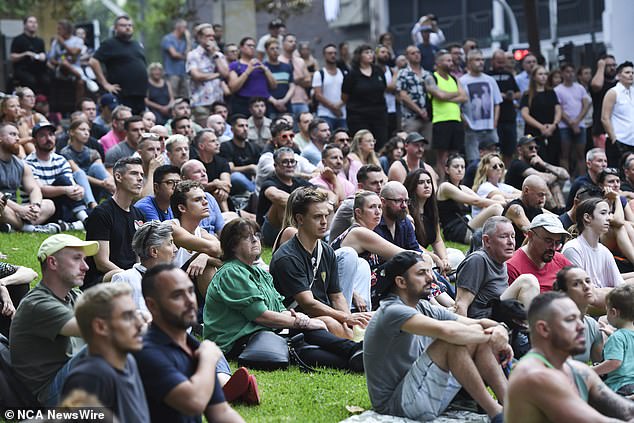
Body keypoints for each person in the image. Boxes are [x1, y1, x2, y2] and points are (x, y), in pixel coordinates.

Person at [364, 251, 509, 422]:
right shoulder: (392, 311)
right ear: (401, 282)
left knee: (474, 336)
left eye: (429, 271)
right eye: (421, 273)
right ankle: (497, 414)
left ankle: (511, 407)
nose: (431, 278)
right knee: (452, 341)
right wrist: (492, 337)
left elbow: (475, 323)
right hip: (396, 406)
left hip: (422, 392)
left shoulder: (423, 306)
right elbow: (448, 332)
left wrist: (500, 329)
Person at [204, 218, 363, 372]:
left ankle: (357, 356)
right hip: (236, 342)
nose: (255, 240)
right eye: (246, 237)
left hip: (265, 335)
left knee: (304, 339)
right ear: (232, 245)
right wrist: (301, 323)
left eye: (257, 235)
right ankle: (357, 353)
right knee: (303, 337)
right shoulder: (232, 272)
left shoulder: (259, 273)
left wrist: (301, 318)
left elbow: (279, 309)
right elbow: (261, 316)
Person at [135, 264, 245, 422]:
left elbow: (220, 412)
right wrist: (208, 359)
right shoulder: (145, 352)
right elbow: (194, 402)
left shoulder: (193, 346)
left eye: (191, 291)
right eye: (177, 295)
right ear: (152, 305)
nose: (190, 301)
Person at [505, 292, 634, 422]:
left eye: (580, 319)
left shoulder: (579, 370)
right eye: (570, 320)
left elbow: (625, 409)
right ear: (544, 329)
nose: (581, 326)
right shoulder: (533, 375)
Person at [270, 187, 373, 338]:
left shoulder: (326, 250)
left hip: (323, 316)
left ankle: (357, 342)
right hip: (296, 321)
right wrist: (345, 317)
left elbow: (337, 296)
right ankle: (357, 349)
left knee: (367, 321)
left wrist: (348, 321)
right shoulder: (287, 257)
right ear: (300, 219)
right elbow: (308, 304)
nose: (324, 222)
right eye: (317, 217)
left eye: (326, 216)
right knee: (329, 322)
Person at [10, 234, 99, 405]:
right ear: (52, 263)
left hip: (68, 380)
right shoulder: (37, 303)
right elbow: (91, 327)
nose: (86, 267)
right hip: (46, 395)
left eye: (85, 260)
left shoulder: (72, 295)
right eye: (76, 259)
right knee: (106, 343)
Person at [61, 283, 150, 423]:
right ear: (100, 327)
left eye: (137, 314)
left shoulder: (128, 361)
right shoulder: (91, 378)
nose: (140, 324)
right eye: (127, 317)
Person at [455, 216, 540, 318]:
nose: (511, 242)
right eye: (504, 236)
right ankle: (529, 331)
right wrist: (466, 332)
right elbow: (460, 304)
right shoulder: (477, 260)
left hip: (497, 318)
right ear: (487, 241)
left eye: (513, 236)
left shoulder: (501, 260)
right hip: (480, 323)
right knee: (527, 281)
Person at [84, 157, 145, 288]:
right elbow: (102, 262)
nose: (140, 178)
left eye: (142, 174)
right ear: (118, 177)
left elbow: (139, 258)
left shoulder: (139, 214)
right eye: (134, 173)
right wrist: (132, 279)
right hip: (102, 280)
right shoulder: (101, 213)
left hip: (132, 277)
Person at [25, 122, 90, 228]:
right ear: (34, 141)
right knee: (63, 181)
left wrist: (78, 190)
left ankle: (81, 220)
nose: (48, 138)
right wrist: (65, 190)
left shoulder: (60, 159)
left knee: (96, 212)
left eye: (51, 134)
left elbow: (71, 185)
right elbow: (40, 190)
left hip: (62, 205)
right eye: (42, 135)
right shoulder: (28, 163)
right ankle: (83, 220)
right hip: (41, 208)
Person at [561, 198, 625, 302]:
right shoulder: (573, 249)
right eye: (603, 213)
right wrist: (609, 291)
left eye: (609, 213)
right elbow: (581, 292)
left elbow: (621, 287)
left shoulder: (605, 251)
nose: (609, 218)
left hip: (608, 305)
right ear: (587, 217)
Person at [0, 123, 57, 233]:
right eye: (12, 134)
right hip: (5, 208)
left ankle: (12, 226)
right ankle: (26, 228)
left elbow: (34, 188)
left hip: (14, 211)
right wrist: (20, 209)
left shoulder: (21, 164)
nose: (17, 138)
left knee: (49, 205)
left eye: (17, 135)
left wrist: (35, 206)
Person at [437, 153, 505, 244]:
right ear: (447, 169)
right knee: (495, 207)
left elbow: (480, 199)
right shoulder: (445, 187)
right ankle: (513, 232)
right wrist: (503, 203)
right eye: (456, 167)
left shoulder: (463, 188)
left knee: (496, 199)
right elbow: (476, 201)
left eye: (462, 167)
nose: (460, 170)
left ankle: (511, 232)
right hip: (458, 232)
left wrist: (505, 201)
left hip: (468, 225)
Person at [112, 221, 176, 314]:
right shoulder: (124, 279)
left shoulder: (174, 279)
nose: (175, 249)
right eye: (170, 243)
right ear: (154, 251)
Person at [89, 15, 148, 114]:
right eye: (123, 25)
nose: (128, 27)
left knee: (137, 124)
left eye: (130, 25)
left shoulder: (137, 44)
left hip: (139, 95)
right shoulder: (110, 44)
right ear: (115, 28)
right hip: (122, 94)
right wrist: (105, 84)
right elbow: (93, 61)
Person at [425, 50, 468, 178]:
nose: (451, 63)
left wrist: (446, 97)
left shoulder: (454, 78)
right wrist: (454, 95)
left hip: (456, 119)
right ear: (438, 63)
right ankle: (443, 181)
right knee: (442, 156)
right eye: (447, 60)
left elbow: (464, 96)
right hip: (440, 120)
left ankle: (454, 181)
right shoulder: (431, 77)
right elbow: (440, 95)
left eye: (451, 60)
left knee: (455, 154)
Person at [257, 147, 312, 246]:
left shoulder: (300, 182)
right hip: (269, 232)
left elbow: (323, 194)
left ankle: (325, 237)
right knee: (281, 204)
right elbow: (275, 195)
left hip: (298, 224)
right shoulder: (269, 182)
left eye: (292, 161)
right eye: (285, 162)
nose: (290, 165)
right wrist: (309, 204)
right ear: (275, 165)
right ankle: (297, 242)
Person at [506, 213, 572, 292]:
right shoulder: (512, 267)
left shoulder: (561, 260)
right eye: (548, 241)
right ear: (531, 236)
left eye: (557, 242)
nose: (553, 247)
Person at [553, 266, 604, 364]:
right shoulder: (556, 326)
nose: (586, 287)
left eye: (588, 281)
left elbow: (600, 367)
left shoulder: (593, 325)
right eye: (576, 284)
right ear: (563, 294)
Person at [459, 49, 502, 164]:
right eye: (477, 60)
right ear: (469, 62)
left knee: (494, 159)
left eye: (482, 60)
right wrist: (465, 122)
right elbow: (457, 106)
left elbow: (497, 102)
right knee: (474, 160)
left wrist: (495, 121)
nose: (481, 62)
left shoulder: (490, 80)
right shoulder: (462, 81)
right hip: (472, 128)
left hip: (490, 127)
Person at [342, 44, 388, 149]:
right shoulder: (352, 74)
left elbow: (383, 89)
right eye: (366, 53)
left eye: (371, 52)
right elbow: (344, 96)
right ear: (359, 56)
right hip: (359, 117)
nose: (370, 55)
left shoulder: (378, 71)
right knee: (362, 145)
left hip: (379, 115)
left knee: (381, 144)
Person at [404, 168, 450, 272]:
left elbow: (437, 240)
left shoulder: (431, 210)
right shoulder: (406, 211)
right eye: (421, 182)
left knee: (456, 255)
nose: (426, 185)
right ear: (412, 186)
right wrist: (436, 258)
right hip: (414, 255)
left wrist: (444, 259)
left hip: (429, 255)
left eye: (429, 182)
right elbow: (412, 244)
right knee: (427, 261)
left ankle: (441, 268)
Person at [505, 135, 569, 210]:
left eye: (536, 148)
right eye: (530, 148)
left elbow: (566, 175)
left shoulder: (537, 162)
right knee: (546, 185)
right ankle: (556, 212)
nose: (534, 150)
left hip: (533, 198)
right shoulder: (517, 164)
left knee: (554, 184)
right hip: (519, 200)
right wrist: (555, 176)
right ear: (520, 150)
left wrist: (544, 164)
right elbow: (543, 180)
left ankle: (561, 211)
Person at [60, 119, 115, 206]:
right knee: (80, 173)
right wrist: (102, 183)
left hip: (96, 183)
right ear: (72, 132)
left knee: (97, 167)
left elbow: (102, 170)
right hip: (75, 184)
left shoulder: (93, 152)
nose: (86, 133)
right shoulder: (65, 152)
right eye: (82, 130)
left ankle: (117, 196)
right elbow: (78, 173)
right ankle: (92, 205)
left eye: (88, 130)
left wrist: (109, 180)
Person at [592, 285, 634, 395]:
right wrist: (612, 334)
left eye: (607, 310)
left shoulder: (617, 337)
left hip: (621, 387)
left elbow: (614, 363)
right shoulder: (622, 336)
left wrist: (591, 370)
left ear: (614, 312)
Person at [329, 164, 385, 241]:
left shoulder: (377, 203)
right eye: (374, 183)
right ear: (360, 187)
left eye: (381, 182)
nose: (379, 187)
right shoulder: (352, 204)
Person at [255, 120, 315, 192]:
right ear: (274, 140)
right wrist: (307, 176)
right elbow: (282, 172)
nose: (289, 139)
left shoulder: (296, 157)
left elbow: (314, 170)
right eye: (284, 137)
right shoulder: (267, 158)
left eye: (291, 136)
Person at [520, 66, 562, 165]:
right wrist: (541, 127)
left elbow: (558, 110)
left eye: (545, 74)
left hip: (552, 130)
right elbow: (525, 114)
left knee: (554, 157)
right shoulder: (527, 95)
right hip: (534, 132)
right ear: (534, 77)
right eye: (540, 74)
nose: (543, 77)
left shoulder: (551, 92)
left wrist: (554, 125)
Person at [555, 64, 591, 176]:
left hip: (580, 124)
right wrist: (571, 122)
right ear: (562, 73)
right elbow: (558, 108)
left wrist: (577, 121)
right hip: (564, 126)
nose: (570, 74)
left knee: (581, 154)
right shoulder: (557, 90)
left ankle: (582, 179)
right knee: (565, 154)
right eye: (567, 71)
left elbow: (586, 104)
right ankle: (566, 179)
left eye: (572, 71)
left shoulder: (580, 88)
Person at [488, 49, 521, 166]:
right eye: (498, 62)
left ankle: (508, 172)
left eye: (503, 62)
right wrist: (499, 95)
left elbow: (518, 93)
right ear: (492, 61)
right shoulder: (488, 76)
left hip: (509, 118)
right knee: (496, 149)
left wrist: (511, 95)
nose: (501, 65)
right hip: (494, 120)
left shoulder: (508, 75)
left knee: (510, 150)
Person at [228, 37, 277, 116]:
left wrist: (266, 70)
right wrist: (248, 71)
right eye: (249, 45)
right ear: (241, 48)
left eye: (254, 46)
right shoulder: (235, 65)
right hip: (243, 103)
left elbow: (274, 86)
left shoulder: (261, 65)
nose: (252, 48)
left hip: (262, 103)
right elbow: (233, 87)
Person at [187, 23, 229, 111]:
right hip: (200, 102)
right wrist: (217, 75)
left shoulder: (218, 55)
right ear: (199, 37)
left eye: (213, 36)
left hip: (218, 103)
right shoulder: (193, 55)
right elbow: (196, 76)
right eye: (208, 36)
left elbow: (225, 74)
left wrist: (214, 55)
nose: (212, 38)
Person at [503, 175, 551, 249]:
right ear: (526, 191)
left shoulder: (536, 207)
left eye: (544, 195)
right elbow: (532, 232)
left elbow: (558, 218)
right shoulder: (515, 208)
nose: (542, 199)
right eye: (540, 195)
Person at [219, 115, 260, 195]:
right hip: (235, 182)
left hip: (253, 180)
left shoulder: (253, 146)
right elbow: (230, 169)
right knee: (236, 176)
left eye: (247, 126)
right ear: (232, 129)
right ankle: (256, 193)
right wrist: (249, 167)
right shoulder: (226, 146)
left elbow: (259, 166)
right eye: (241, 126)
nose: (245, 129)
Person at [396, 45, 431, 139]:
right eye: (413, 53)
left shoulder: (427, 74)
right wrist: (419, 111)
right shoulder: (403, 73)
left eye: (418, 52)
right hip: (411, 117)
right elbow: (403, 96)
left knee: (427, 148)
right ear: (407, 56)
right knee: (411, 144)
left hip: (428, 117)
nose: (416, 55)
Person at [192, 130, 231, 211]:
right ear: (201, 146)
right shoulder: (193, 164)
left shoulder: (222, 162)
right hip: (199, 202)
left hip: (224, 198)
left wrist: (217, 185)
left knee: (220, 193)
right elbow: (194, 187)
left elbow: (227, 185)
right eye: (212, 141)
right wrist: (215, 184)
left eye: (217, 140)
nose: (217, 143)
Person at [471, 152, 520, 217]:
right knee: (497, 198)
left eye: (501, 165)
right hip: (480, 224)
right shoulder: (484, 186)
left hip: (495, 222)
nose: (499, 168)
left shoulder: (502, 186)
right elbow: (507, 196)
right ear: (486, 169)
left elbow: (523, 194)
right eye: (494, 166)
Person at [602, 61, 634, 158]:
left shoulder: (633, 91)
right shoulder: (613, 92)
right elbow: (604, 118)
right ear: (619, 76)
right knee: (616, 172)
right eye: (627, 72)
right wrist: (613, 139)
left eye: (632, 73)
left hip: (632, 140)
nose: (631, 75)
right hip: (619, 141)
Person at [10, 16, 49, 94]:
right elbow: (12, 57)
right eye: (30, 22)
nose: (33, 24)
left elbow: (43, 54)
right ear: (24, 25)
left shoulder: (40, 41)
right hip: (23, 70)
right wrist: (25, 54)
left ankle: (43, 103)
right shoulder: (18, 39)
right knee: (31, 81)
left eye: (35, 22)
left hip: (38, 70)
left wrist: (43, 56)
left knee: (47, 80)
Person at [313, 44, 346, 130]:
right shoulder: (319, 74)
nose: (333, 55)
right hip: (325, 113)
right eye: (330, 53)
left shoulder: (343, 73)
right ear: (324, 55)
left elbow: (348, 92)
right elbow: (318, 95)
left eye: (335, 53)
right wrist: (334, 107)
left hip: (342, 114)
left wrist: (339, 105)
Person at [279, 34, 312, 117]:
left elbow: (308, 81)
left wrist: (293, 81)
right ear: (283, 44)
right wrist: (299, 79)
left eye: (295, 42)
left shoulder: (300, 61)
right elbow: (282, 83)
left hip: (302, 100)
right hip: (287, 100)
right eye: (290, 41)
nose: (293, 43)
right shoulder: (278, 61)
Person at [590, 55, 617, 150]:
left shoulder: (618, 84)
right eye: (609, 65)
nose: (612, 68)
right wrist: (601, 66)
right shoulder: (599, 82)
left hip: (618, 127)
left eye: (614, 65)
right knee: (603, 160)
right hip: (601, 129)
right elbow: (596, 85)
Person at [264, 38, 295, 118]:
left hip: (286, 106)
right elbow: (262, 89)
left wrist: (284, 100)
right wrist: (275, 102)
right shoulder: (263, 67)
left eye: (277, 48)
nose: (275, 51)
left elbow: (292, 86)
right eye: (272, 49)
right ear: (267, 51)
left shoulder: (287, 66)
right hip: (270, 107)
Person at [161, 18, 190, 99]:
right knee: (172, 96)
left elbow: (188, 54)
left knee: (185, 96)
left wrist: (188, 40)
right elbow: (174, 54)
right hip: (172, 73)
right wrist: (184, 57)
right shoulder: (168, 39)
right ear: (179, 27)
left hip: (183, 72)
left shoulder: (183, 41)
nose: (186, 30)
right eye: (185, 27)